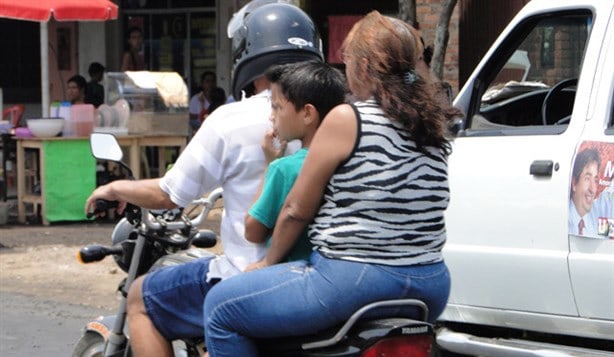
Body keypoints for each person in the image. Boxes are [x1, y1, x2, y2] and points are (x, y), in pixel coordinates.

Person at [203, 11, 464, 356]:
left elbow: (296, 209)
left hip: (354, 279)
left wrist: (267, 263)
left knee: (221, 307)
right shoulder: (434, 125)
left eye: (349, 60)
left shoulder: (348, 118)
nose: (345, 69)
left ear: (366, 66)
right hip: (431, 284)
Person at [84, 3, 323, 356]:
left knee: (140, 298)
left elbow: (170, 194)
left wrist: (115, 187)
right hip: (321, 277)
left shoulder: (232, 119)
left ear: (247, 54)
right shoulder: (338, 116)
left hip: (250, 276)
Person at [245, 61, 347, 263]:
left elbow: (252, 231)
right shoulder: (348, 160)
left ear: (308, 113)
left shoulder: (284, 168)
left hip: (292, 275)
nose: (272, 117)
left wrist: (270, 166)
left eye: (277, 107)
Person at [568, 147, 612, 237]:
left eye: (595, 180)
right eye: (587, 179)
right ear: (574, 183)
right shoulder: (563, 218)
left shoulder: (598, 218)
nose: (592, 189)